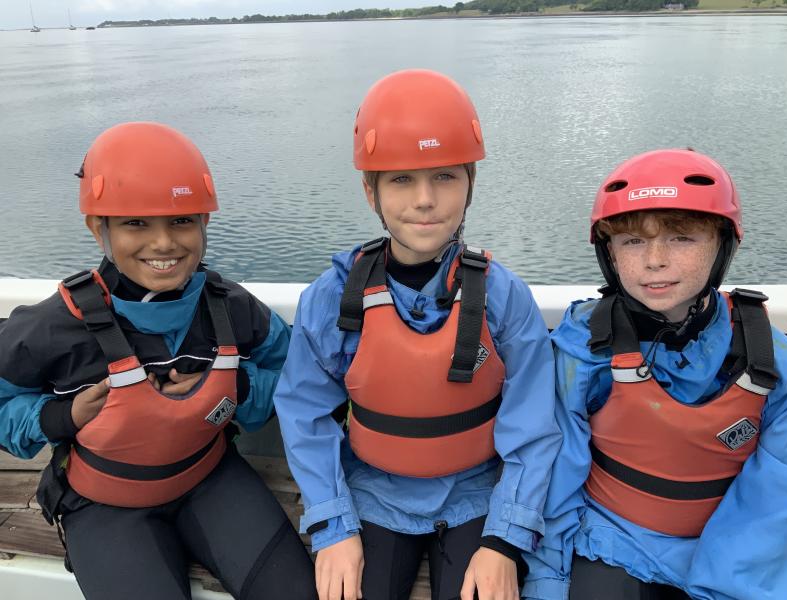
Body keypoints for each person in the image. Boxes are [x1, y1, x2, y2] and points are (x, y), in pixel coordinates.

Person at [273, 68, 561, 600]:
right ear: (371, 191)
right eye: (401, 179)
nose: (425, 199)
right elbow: (304, 412)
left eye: (445, 176)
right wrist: (334, 526)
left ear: (471, 184)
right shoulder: (334, 300)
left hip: (479, 495)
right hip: (374, 493)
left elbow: (534, 426)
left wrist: (503, 541)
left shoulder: (502, 296)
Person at [0, 122, 316, 600]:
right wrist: (63, 416)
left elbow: (298, 374)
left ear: (204, 223)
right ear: (98, 228)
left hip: (212, 478)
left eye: (182, 221)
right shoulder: (52, 326)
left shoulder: (230, 308)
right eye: (135, 223)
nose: (164, 243)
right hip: (104, 503)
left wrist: (238, 387)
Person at [523, 149, 787, 600]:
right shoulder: (582, 351)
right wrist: (547, 582)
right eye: (632, 241)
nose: (655, 259)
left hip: (736, 557)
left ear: (722, 245)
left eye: (682, 238)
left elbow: (781, 493)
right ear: (609, 253)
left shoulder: (775, 363)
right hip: (613, 540)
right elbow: (555, 477)